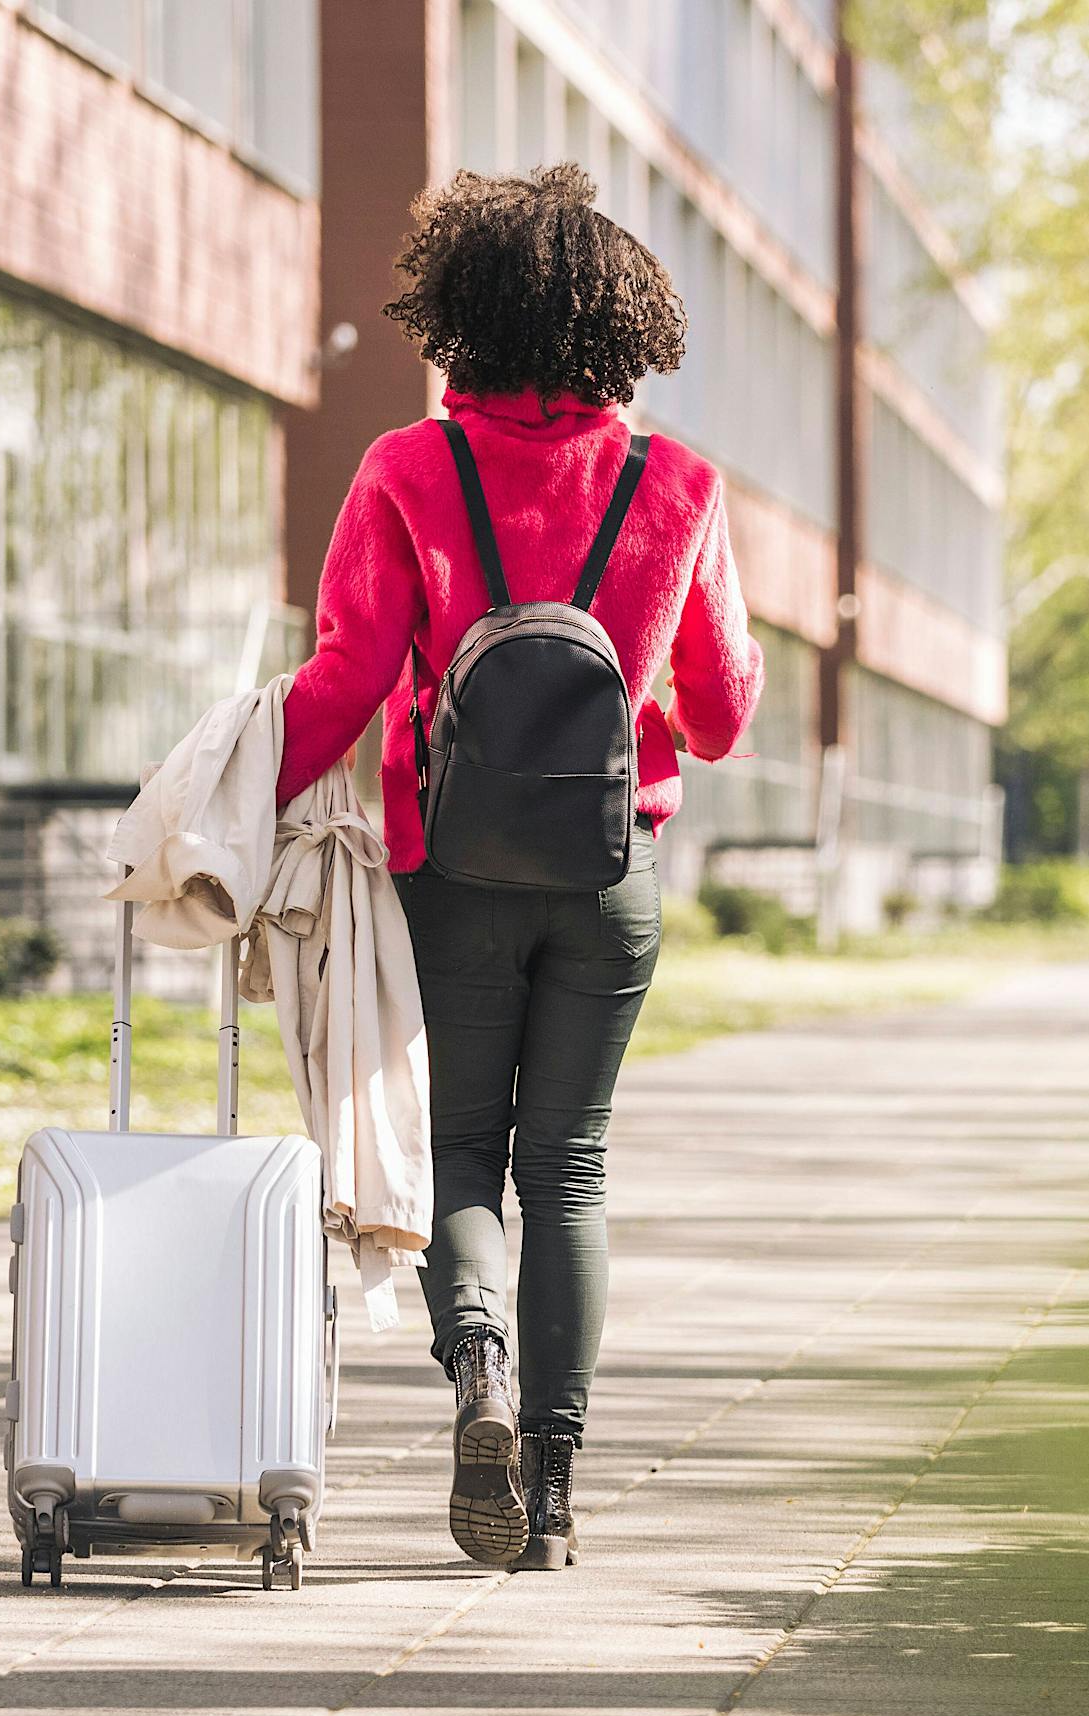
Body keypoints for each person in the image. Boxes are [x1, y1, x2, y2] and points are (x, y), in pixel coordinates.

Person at [276, 163, 763, 1571]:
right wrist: (638, 710)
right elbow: (722, 715)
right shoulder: (676, 485)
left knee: (462, 1149)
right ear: (624, 326)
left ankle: (474, 1372)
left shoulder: (408, 471)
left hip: (449, 865)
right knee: (572, 1166)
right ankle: (551, 1488)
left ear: (459, 319)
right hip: (610, 877)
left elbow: (348, 677)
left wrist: (245, 789)